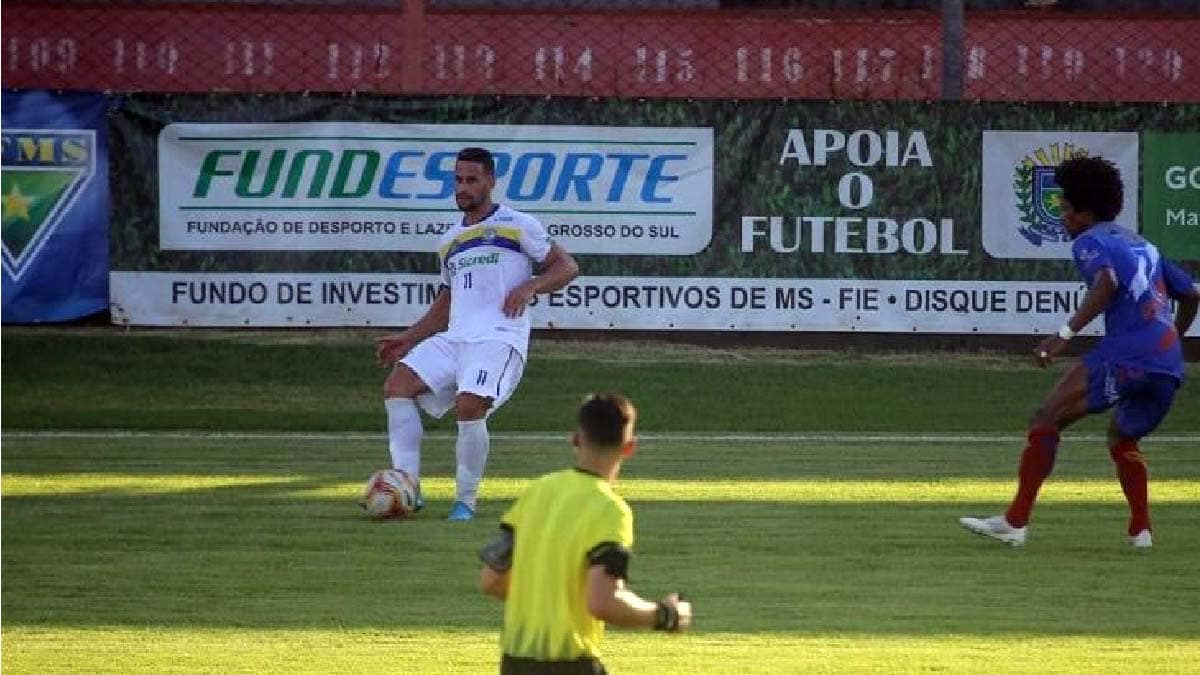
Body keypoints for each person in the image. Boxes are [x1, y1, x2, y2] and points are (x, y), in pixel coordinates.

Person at [960, 156, 1198, 548]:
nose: (1063, 219)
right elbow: (1191, 293)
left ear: (1085, 213)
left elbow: (1105, 283)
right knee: (1122, 439)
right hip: (1167, 364)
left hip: (1127, 353)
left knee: (1046, 417)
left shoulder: (1091, 241)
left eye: (1067, 210)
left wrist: (1063, 334)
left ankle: (1015, 522)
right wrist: (1174, 340)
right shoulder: (1143, 245)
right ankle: (1141, 532)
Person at [375, 146, 579, 522]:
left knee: (471, 405)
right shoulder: (450, 240)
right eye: (458, 180)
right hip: (457, 338)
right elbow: (448, 299)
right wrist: (409, 336)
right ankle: (409, 486)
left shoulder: (517, 224)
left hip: (499, 338)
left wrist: (531, 286)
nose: (463, 187)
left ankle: (465, 502)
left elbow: (566, 267)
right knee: (397, 385)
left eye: (472, 180)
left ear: (490, 181)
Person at [478, 393, 693, 674]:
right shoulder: (610, 511)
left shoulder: (536, 493)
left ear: (576, 439)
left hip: (514, 664)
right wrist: (665, 615)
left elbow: (490, 580)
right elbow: (602, 601)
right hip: (571, 665)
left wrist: (546, 596)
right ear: (629, 447)